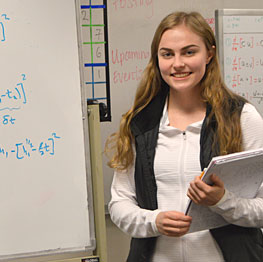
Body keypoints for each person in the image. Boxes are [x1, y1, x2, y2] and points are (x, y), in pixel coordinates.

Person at [106, 11, 263, 262]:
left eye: (189, 52)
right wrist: (154, 221)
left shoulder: (242, 118)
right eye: (167, 54)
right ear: (157, 59)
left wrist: (223, 201)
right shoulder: (140, 122)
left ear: (209, 54)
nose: (178, 63)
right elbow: (119, 204)